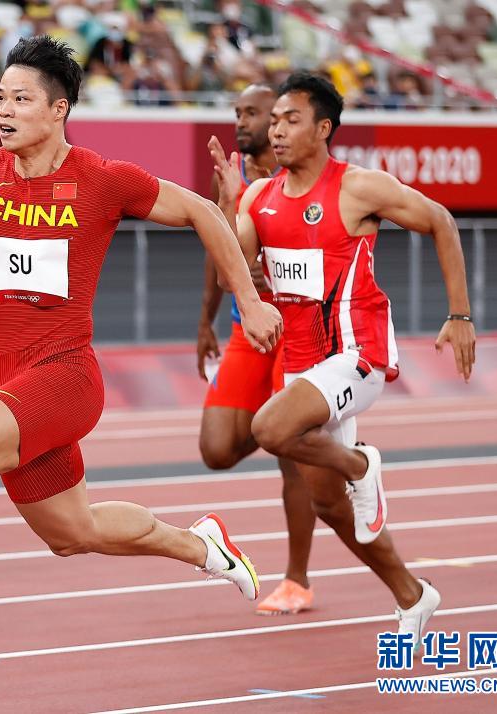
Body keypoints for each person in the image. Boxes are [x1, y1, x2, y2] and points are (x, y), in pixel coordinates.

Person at [0, 36, 283, 675]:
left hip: (65, 375)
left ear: (59, 110)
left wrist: (250, 297)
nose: (4, 110)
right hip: (7, 379)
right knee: (74, 533)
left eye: (21, 99)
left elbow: (204, 214)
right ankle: (203, 545)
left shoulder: (101, 179)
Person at [213, 72, 475, 646]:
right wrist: (227, 212)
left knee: (268, 427)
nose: (276, 131)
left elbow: (441, 221)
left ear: (323, 128)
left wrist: (459, 315)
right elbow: (240, 274)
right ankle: (413, 594)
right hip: (299, 363)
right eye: (273, 121)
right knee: (330, 507)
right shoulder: (259, 196)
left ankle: (361, 466)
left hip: (357, 357)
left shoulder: (359, 187)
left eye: (290, 120)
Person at [198, 84, 316, 616]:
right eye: (237, 112)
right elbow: (217, 251)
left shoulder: (301, 181)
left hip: (297, 333)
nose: (242, 122)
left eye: (253, 113)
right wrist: (205, 321)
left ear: (280, 121)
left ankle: (296, 580)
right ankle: (321, 450)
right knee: (217, 449)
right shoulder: (233, 177)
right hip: (249, 330)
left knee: (289, 453)